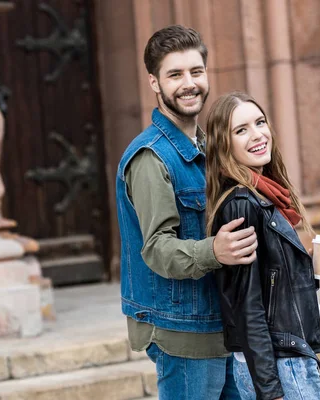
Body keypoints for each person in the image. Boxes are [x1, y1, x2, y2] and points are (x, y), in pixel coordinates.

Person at [116, 26, 258, 399]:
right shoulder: (151, 158)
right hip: (183, 332)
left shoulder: (211, 148)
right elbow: (157, 249)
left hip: (221, 323)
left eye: (195, 71)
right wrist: (214, 251)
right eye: (175, 74)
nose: (188, 83)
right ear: (154, 82)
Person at [205, 91, 320, 400]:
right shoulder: (241, 204)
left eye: (260, 123)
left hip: (290, 356)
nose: (257, 135)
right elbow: (247, 306)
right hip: (280, 367)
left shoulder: (265, 196)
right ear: (223, 143)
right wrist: (271, 391)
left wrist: (310, 270)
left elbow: (272, 291)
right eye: (241, 130)